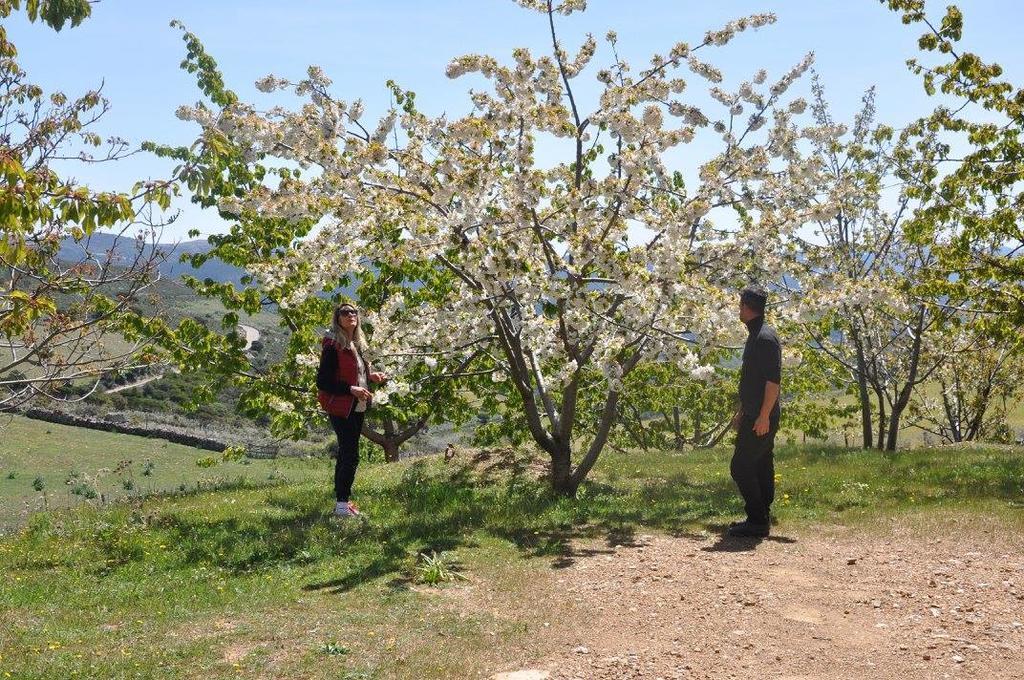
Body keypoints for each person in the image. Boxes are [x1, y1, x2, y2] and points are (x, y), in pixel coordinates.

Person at [316, 303, 386, 518]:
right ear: (337, 319)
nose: (350, 315)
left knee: (346, 453)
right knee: (351, 455)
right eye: (345, 313)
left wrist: (370, 376)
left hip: (356, 406)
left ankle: (341, 501)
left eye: (354, 312)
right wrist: (351, 389)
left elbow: (354, 371)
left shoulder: (355, 344)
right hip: (341, 407)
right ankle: (342, 505)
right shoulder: (333, 345)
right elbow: (323, 382)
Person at [728, 286, 782, 538]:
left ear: (748, 307)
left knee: (741, 466)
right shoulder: (758, 334)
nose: (738, 310)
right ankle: (761, 515)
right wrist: (742, 411)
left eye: (740, 305)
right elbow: (752, 380)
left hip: (761, 417)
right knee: (760, 463)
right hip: (753, 414)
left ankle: (758, 520)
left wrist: (763, 416)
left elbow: (772, 383)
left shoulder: (763, 338)